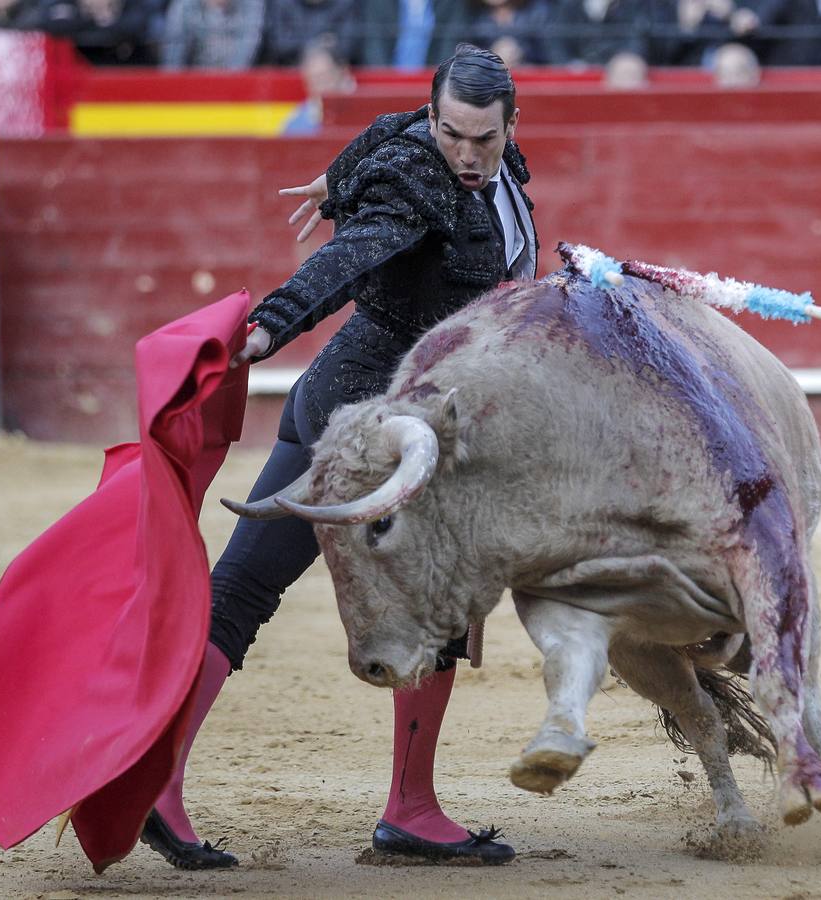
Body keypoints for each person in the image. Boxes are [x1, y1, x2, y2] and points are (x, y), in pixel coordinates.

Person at [139, 44, 535, 870]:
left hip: (372, 405)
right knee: (427, 599)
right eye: (453, 136)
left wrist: (335, 171)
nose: (467, 156)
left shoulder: (485, 160)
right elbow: (351, 256)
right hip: (377, 418)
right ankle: (410, 809)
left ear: (509, 127)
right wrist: (271, 323)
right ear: (436, 122)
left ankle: (157, 783)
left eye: (484, 140)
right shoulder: (417, 180)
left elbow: (387, 129)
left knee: (247, 584)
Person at [280, 40, 356, 136]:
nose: (320, 87)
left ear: (342, 71)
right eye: (313, 80)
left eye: (324, 77)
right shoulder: (297, 122)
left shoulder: (363, 110)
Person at [160, 0, 264, 69]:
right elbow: (173, 63)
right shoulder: (183, 6)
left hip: (237, 87)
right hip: (191, 86)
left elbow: (245, 52)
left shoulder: (251, 4)